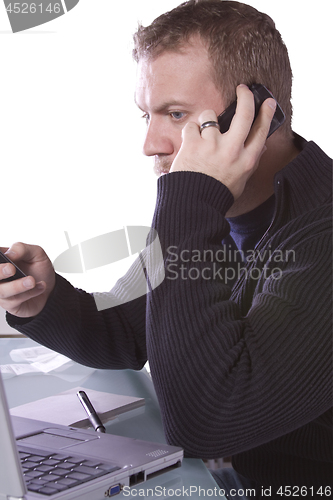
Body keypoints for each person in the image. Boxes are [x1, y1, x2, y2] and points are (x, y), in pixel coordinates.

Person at [0, 0, 331, 497]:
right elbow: (125, 333)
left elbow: (206, 421)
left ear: (259, 114)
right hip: (227, 478)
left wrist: (189, 199)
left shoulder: (314, 239)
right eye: (146, 115)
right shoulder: (211, 213)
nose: (151, 143)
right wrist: (46, 300)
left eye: (174, 114)